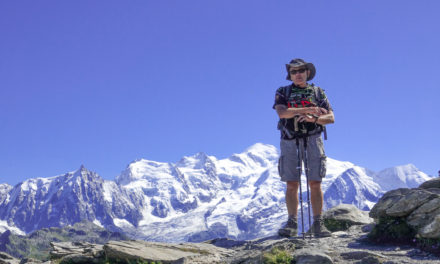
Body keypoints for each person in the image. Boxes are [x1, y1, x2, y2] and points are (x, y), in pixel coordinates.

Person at [273, 58, 335, 238]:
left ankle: (318, 223)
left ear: (307, 72)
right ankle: (292, 222)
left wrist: (313, 119)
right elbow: (282, 112)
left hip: (313, 138)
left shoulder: (318, 92)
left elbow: (331, 118)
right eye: (293, 72)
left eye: (301, 70)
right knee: (291, 183)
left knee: (315, 182)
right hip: (289, 139)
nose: (297, 74)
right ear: (290, 74)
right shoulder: (282, 91)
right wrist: (310, 110)